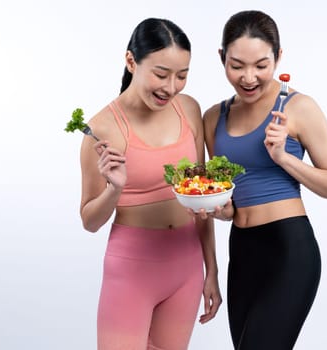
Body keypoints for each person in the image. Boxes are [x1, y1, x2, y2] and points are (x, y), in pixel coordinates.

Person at [202, 10, 327, 350]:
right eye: (237, 66)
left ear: (278, 57)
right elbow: (225, 200)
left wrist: (284, 158)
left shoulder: (299, 108)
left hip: (289, 250)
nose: (249, 77)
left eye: (261, 65)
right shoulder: (213, 117)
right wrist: (221, 210)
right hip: (241, 252)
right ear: (222, 58)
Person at [79, 18, 221, 350]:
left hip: (187, 266)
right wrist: (114, 189)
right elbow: (89, 221)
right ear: (131, 61)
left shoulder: (188, 110)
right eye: (161, 74)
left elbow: (201, 196)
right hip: (132, 271)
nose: (171, 87)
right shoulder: (103, 130)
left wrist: (211, 270)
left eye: (182, 76)